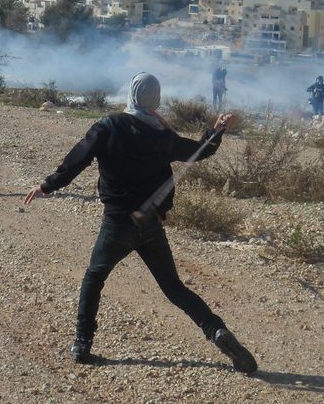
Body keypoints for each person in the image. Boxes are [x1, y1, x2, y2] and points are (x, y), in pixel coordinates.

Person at [24, 72, 257, 374]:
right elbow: (197, 152)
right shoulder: (161, 133)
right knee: (174, 288)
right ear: (155, 98)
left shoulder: (109, 126)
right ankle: (217, 332)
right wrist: (216, 131)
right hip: (149, 223)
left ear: (132, 93)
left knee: (94, 277)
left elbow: (77, 159)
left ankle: (82, 342)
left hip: (118, 222)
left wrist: (47, 186)